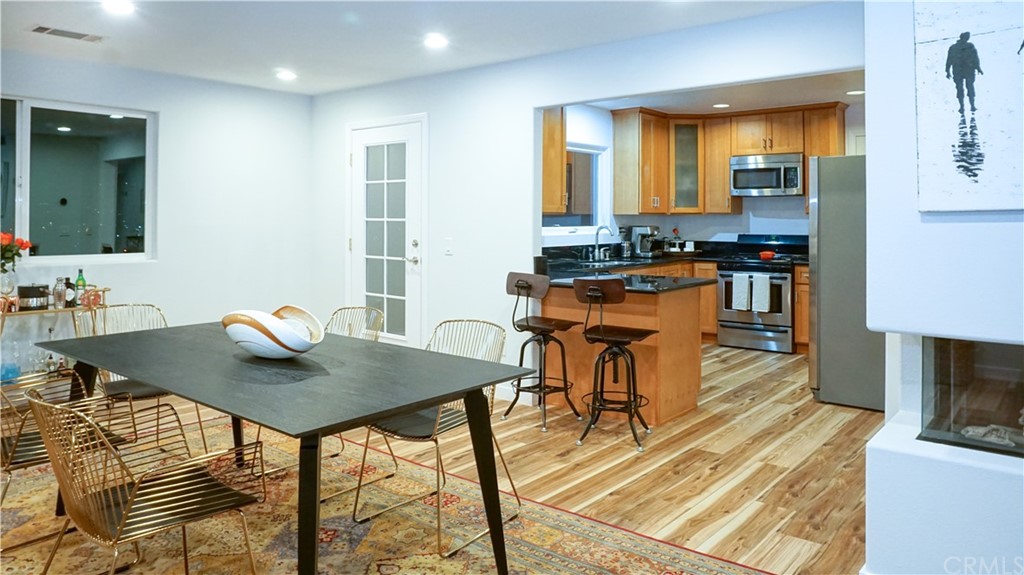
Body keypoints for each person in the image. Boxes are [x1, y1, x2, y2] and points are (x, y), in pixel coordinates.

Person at [945, 32, 983, 114]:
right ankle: (967, 106)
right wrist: (947, 70)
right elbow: (949, 59)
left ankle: (967, 106)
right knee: (966, 88)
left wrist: (978, 68)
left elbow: (975, 58)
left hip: (962, 70)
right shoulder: (968, 46)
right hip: (965, 70)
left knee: (964, 88)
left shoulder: (955, 47)